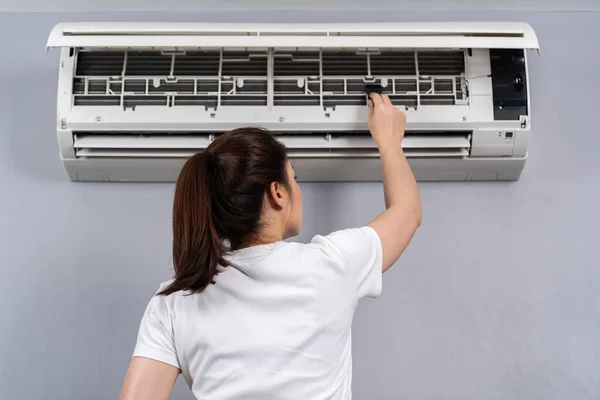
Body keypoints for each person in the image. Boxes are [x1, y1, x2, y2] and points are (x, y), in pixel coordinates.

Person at [119, 93, 422, 400]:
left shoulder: (173, 301)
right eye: (294, 177)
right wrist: (389, 141)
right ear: (277, 192)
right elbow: (406, 211)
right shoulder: (334, 263)